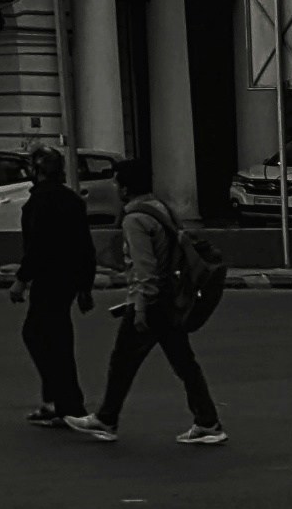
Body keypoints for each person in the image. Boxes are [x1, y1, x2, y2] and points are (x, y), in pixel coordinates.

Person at [84, 184, 226, 445]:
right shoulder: (161, 208)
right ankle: (208, 422)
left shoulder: (135, 219)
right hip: (169, 298)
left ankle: (106, 419)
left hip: (151, 301)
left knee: (123, 361)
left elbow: (145, 268)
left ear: (124, 187)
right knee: (184, 363)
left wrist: (140, 308)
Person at [13, 146, 94, 426]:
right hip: (68, 280)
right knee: (55, 338)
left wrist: (21, 280)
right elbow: (85, 246)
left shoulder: (40, 202)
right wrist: (85, 286)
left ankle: (65, 404)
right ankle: (59, 401)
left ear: (37, 171)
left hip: (49, 278)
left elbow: (38, 246)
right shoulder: (71, 200)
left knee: (39, 336)